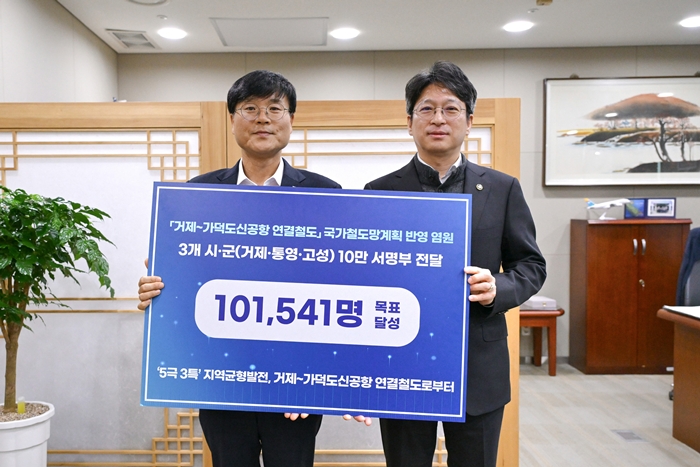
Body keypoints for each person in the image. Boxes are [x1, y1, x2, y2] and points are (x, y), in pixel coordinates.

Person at [137, 70, 342, 467]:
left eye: (274, 109)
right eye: (250, 108)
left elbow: (338, 286)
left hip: (294, 383)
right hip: (221, 376)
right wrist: (157, 290)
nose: (263, 118)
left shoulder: (326, 193)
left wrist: (319, 375)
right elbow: (184, 285)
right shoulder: (197, 194)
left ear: (291, 120)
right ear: (232, 119)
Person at [364, 61, 547, 467]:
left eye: (451, 109)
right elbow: (366, 276)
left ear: (469, 121)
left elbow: (531, 265)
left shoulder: (502, 188)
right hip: (402, 361)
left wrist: (498, 287)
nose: (438, 119)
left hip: (478, 364)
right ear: (409, 122)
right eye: (426, 109)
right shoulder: (380, 191)